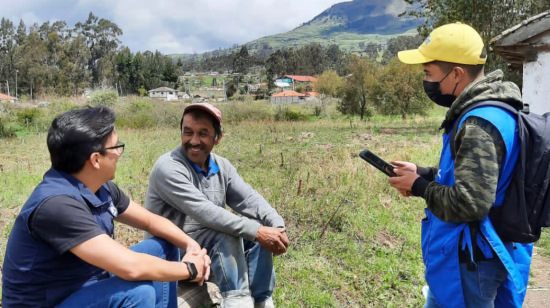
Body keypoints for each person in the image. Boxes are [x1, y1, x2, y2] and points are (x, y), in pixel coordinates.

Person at [1, 106, 211, 308]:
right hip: (53, 301)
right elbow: (130, 267)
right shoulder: (56, 205)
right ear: (95, 160)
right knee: (137, 294)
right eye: (116, 147)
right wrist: (190, 269)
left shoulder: (99, 187)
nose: (120, 154)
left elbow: (150, 221)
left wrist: (191, 246)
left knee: (164, 246)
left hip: (84, 283)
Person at [388, 23, 532, 307]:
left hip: (473, 260)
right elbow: (483, 178)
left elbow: (469, 204)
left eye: (429, 73)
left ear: (456, 74)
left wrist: (419, 186)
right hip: (477, 255)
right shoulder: (495, 110)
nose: (426, 81)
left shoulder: (478, 123)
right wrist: (425, 173)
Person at [145, 102, 290, 308]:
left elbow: (248, 198)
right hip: (174, 254)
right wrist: (257, 231)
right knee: (230, 231)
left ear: (217, 138)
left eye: (203, 134)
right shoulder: (168, 167)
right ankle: (237, 300)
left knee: (259, 232)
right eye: (188, 133)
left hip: (205, 250)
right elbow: (206, 213)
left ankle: (261, 300)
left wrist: (277, 226)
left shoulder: (221, 166)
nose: (194, 141)